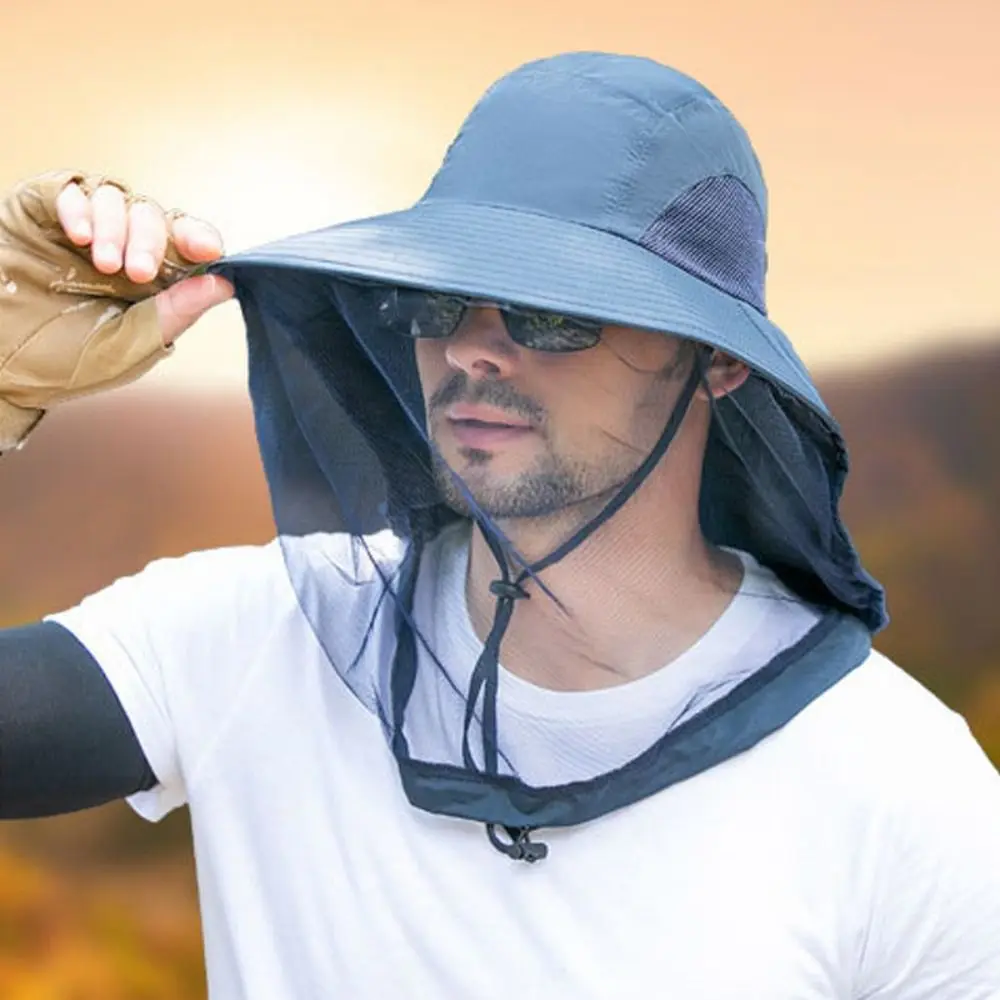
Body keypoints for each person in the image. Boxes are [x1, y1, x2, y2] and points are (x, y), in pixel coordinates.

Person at [1, 51, 998, 999]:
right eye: (442, 297)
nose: (475, 349)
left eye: (551, 310)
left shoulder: (898, 787)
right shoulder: (255, 638)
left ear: (718, 360)